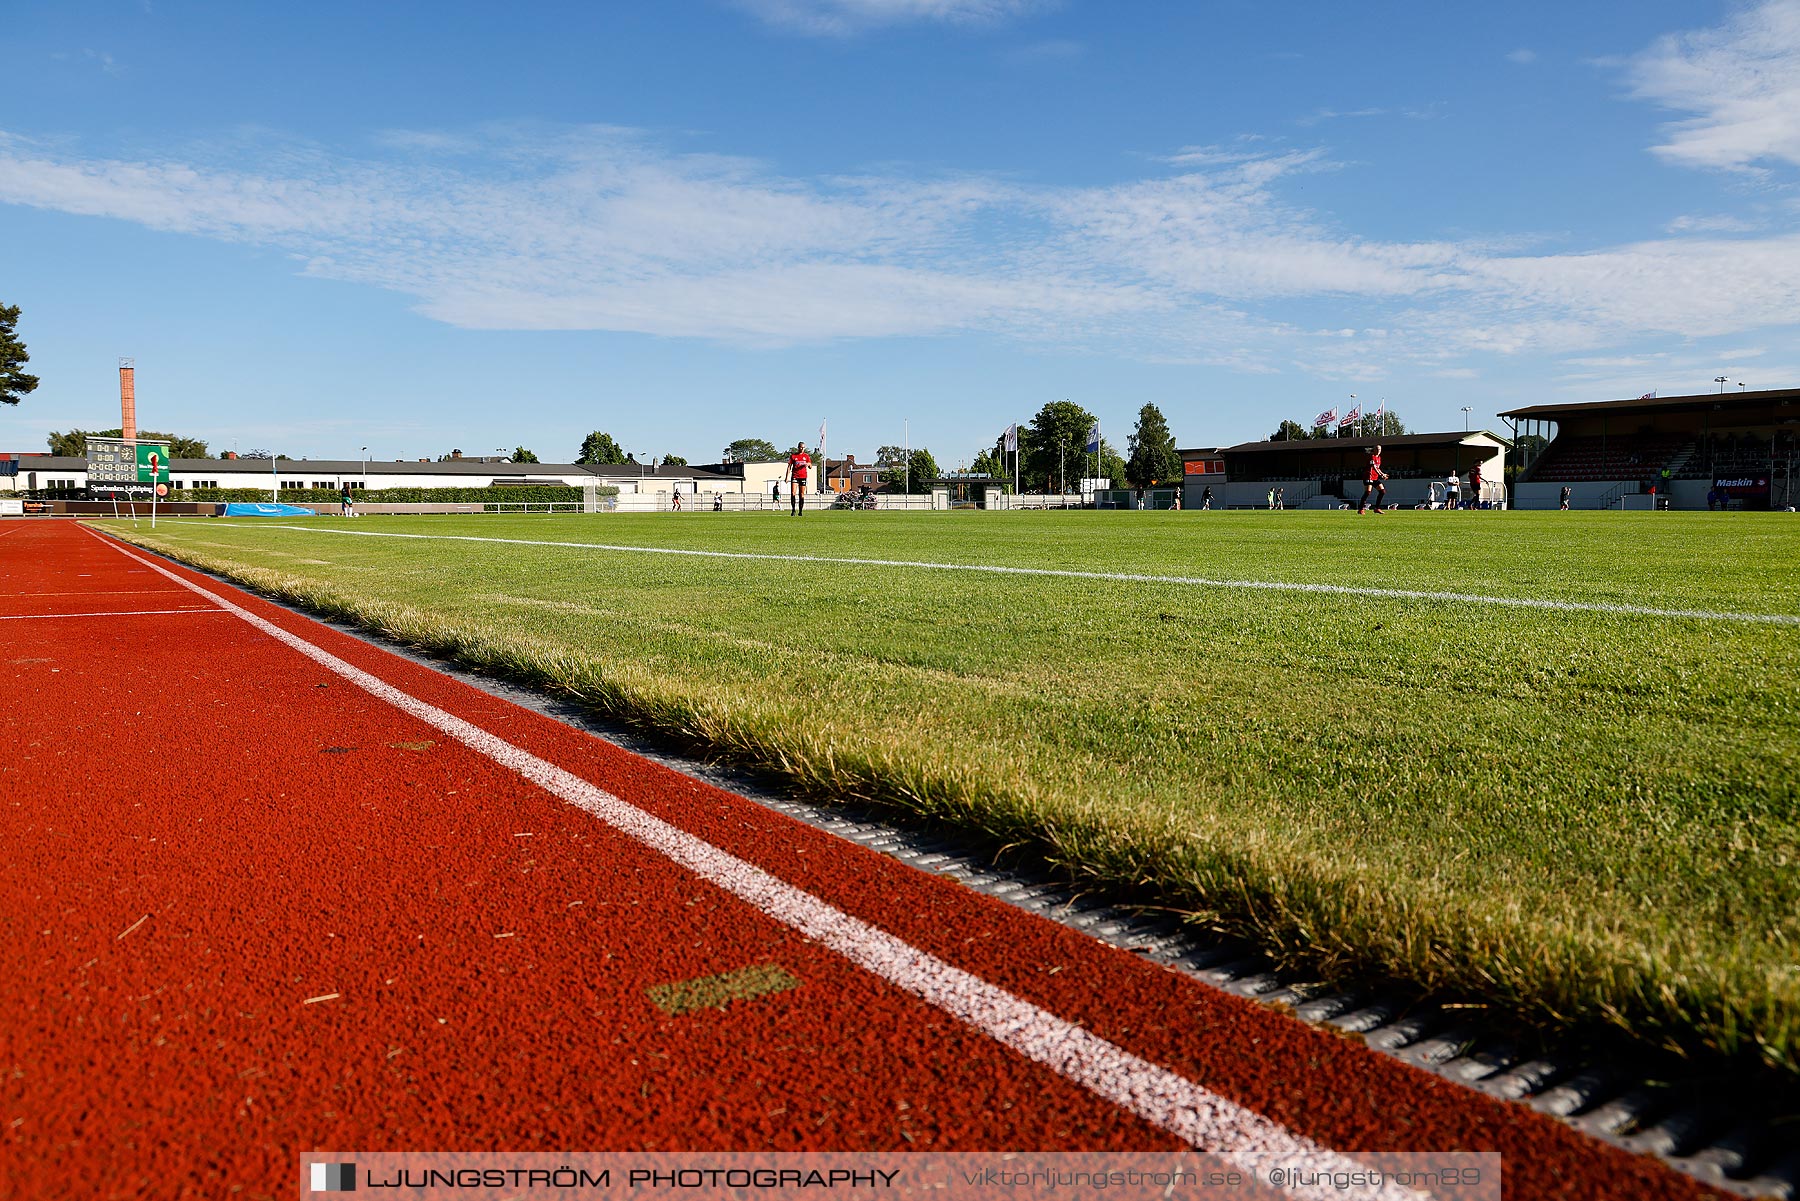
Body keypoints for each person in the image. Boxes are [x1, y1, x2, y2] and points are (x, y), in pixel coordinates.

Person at [785, 441, 813, 516]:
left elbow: (810, 466)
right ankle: (793, 510)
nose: (802, 449)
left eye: (803, 448)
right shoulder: (793, 456)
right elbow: (789, 467)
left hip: (803, 476)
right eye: (801, 447)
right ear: (798, 447)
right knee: (793, 493)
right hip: (795, 476)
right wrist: (786, 477)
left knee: (801, 494)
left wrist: (808, 464)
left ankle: (800, 511)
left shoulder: (806, 456)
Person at [1358, 445, 1387, 514]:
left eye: (1379, 449)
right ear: (1374, 450)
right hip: (1368, 476)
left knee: (1382, 491)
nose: (1378, 451)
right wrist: (1381, 475)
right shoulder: (1371, 457)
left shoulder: (1379, 458)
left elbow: (1378, 468)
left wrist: (1382, 474)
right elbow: (1374, 467)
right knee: (1368, 492)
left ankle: (1377, 508)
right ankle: (1361, 509)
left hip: (1375, 477)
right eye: (1377, 449)